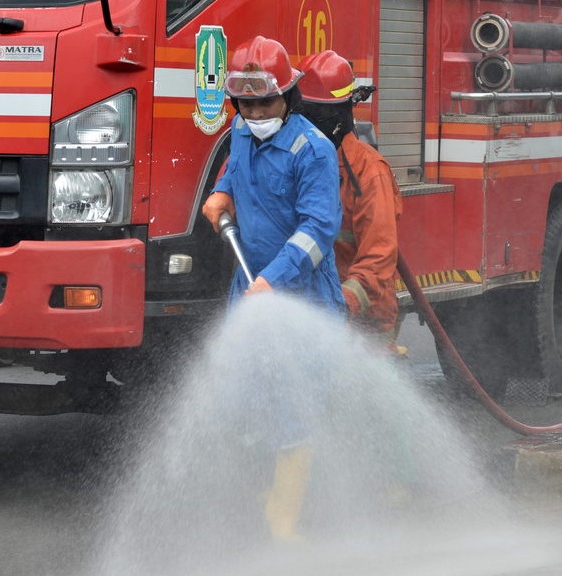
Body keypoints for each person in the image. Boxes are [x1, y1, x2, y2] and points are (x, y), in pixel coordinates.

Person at [200, 36, 343, 542]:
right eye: (247, 102)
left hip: (301, 296)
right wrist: (219, 196)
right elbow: (232, 175)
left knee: (293, 408)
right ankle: (259, 504)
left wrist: (272, 281)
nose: (256, 111)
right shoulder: (240, 131)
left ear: (288, 96)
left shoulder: (313, 151)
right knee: (244, 399)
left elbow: (317, 232)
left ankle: (286, 520)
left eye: (265, 101)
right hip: (251, 287)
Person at [295, 50, 404, 354]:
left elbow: (379, 258)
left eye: (311, 115)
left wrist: (342, 303)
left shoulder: (369, 173)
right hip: (317, 313)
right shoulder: (298, 162)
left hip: (364, 322)